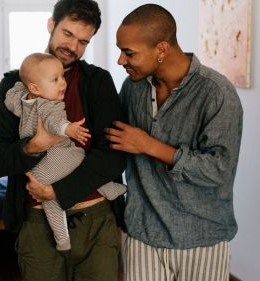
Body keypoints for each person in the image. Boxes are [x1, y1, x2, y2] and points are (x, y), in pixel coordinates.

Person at [0, 0, 126, 280]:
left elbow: (114, 156)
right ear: (51, 25)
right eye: (68, 34)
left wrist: (58, 193)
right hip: (37, 225)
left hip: (95, 221)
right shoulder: (15, 86)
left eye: (83, 41)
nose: (73, 47)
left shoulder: (98, 82)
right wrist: (34, 146)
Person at [105, 4, 242, 281]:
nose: (120, 60)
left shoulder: (217, 93)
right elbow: (114, 147)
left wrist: (149, 145)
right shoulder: (132, 87)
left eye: (129, 52)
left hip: (203, 237)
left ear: (162, 49)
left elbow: (219, 169)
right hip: (142, 233)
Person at [4, 52, 126, 251]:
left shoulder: (50, 104)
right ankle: (108, 190)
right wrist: (22, 87)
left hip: (64, 153)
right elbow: (11, 102)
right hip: (56, 157)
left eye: (62, 77)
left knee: (43, 186)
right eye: (55, 79)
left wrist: (69, 129)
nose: (63, 83)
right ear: (34, 88)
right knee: (46, 193)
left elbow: (55, 122)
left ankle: (62, 239)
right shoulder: (28, 101)